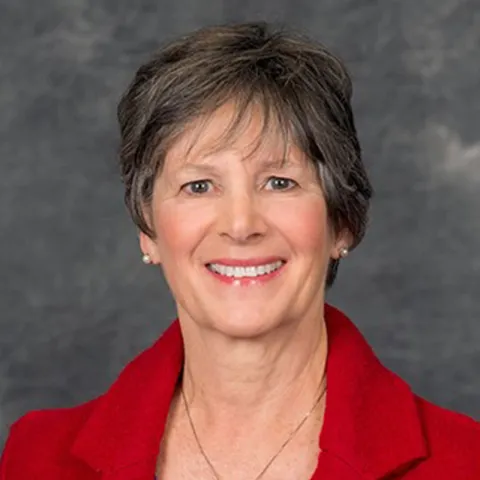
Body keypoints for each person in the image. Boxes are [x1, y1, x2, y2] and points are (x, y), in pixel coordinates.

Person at [1, 21, 479, 480]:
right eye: (199, 185)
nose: (241, 224)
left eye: (279, 181)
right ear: (148, 230)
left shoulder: (466, 462)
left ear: (342, 223)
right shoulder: (34, 458)